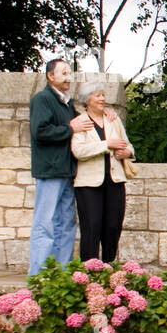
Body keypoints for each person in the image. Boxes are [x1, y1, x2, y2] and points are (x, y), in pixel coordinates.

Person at [27, 59, 112, 275]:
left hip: (68, 171)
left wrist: (106, 114)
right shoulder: (42, 100)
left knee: (66, 223)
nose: (68, 78)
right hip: (50, 171)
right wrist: (69, 127)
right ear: (50, 76)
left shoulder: (68, 103)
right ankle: (39, 275)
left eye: (69, 73)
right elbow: (40, 132)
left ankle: (62, 272)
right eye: (63, 73)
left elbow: (87, 121)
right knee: (45, 223)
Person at [71, 79, 134, 264]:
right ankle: (89, 271)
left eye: (103, 95)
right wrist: (107, 144)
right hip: (89, 184)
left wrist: (127, 152)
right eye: (97, 95)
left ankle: (109, 268)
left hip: (114, 181)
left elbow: (128, 145)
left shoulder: (113, 119)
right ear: (86, 99)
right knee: (92, 227)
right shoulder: (80, 122)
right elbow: (79, 151)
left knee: (113, 226)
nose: (102, 98)